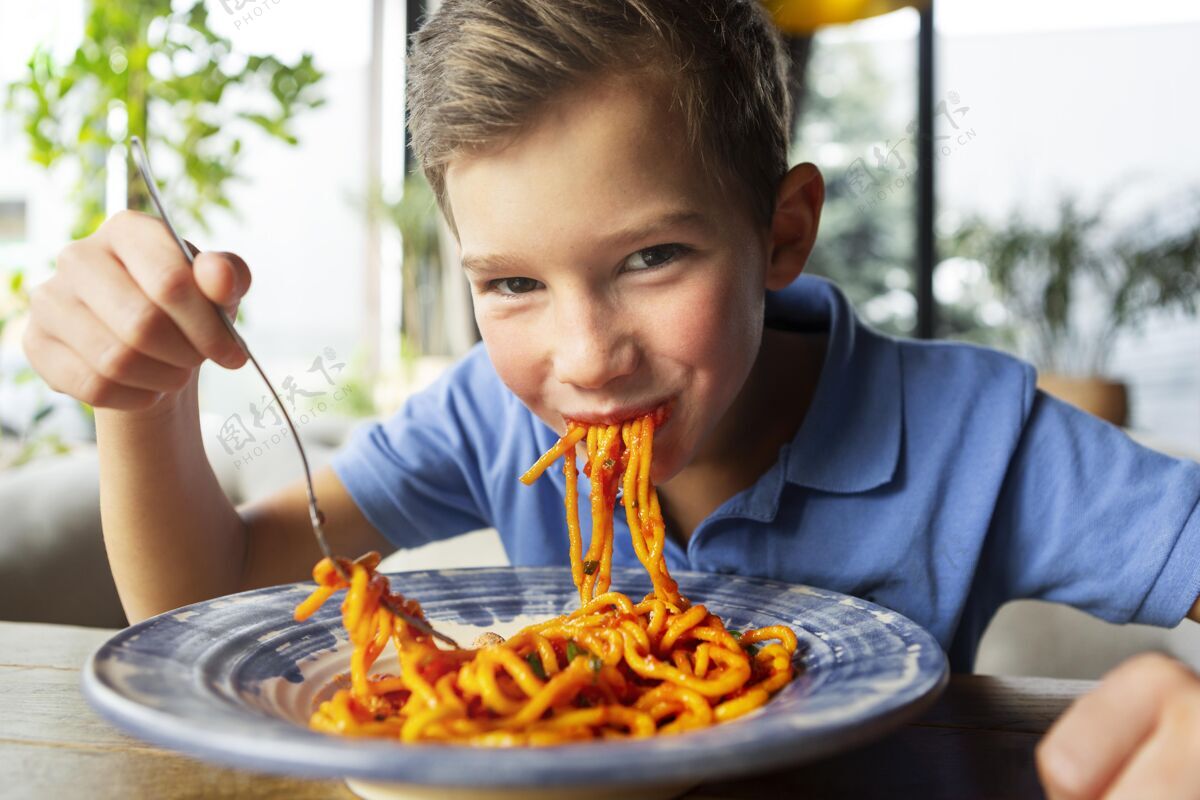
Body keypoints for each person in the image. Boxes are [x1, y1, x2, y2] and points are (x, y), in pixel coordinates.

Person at [19, 0, 1200, 794]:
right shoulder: (493, 408)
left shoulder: (969, 433)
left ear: (782, 230)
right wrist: (142, 397)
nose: (585, 357)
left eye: (651, 260)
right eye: (515, 282)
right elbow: (206, 593)